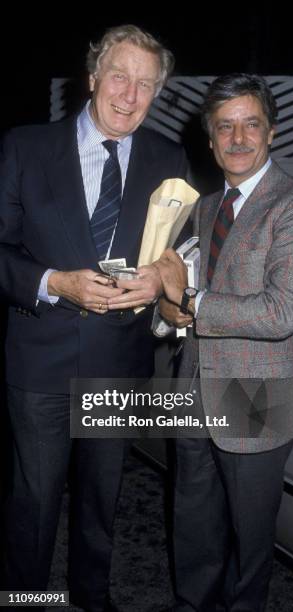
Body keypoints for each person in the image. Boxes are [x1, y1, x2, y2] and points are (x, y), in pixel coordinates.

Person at [108, 73, 293, 611]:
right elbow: (184, 299)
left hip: (256, 392)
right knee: (193, 513)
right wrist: (160, 302)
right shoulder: (204, 206)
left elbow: (280, 313)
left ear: (271, 131)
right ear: (210, 139)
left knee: (250, 537)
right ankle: (192, 603)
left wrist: (190, 297)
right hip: (193, 381)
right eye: (225, 127)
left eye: (251, 124)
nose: (238, 138)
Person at [0, 24, 187, 611]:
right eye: (119, 77)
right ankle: (28, 601)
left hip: (119, 359)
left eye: (145, 85)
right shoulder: (24, 147)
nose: (130, 96)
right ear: (92, 77)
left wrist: (161, 276)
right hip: (41, 358)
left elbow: (184, 250)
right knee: (34, 502)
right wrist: (54, 282)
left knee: (102, 500)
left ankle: (90, 598)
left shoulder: (168, 157)